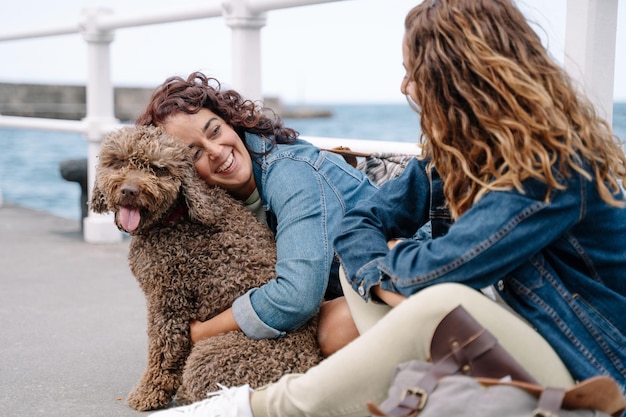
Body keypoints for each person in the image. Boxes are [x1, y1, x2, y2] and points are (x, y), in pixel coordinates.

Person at [149, 0, 626, 416]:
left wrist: (394, 267)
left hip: (586, 371)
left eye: (411, 71)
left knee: (427, 300)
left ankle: (257, 408)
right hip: (498, 341)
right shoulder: (453, 155)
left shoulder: (554, 168)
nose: (403, 86)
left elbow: (447, 269)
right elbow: (362, 222)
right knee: (379, 282)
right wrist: (388, 269)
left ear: (454, 79)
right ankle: (418, 393)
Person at [135, 72, 374, 356]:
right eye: (195, 153)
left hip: (390, 277)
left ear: (230, 122)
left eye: (214, 131)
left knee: (331, 331)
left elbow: (297, 298)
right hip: (332, 291)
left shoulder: (290, 173)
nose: (216, 151)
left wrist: (199, 333)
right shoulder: (211, 201)